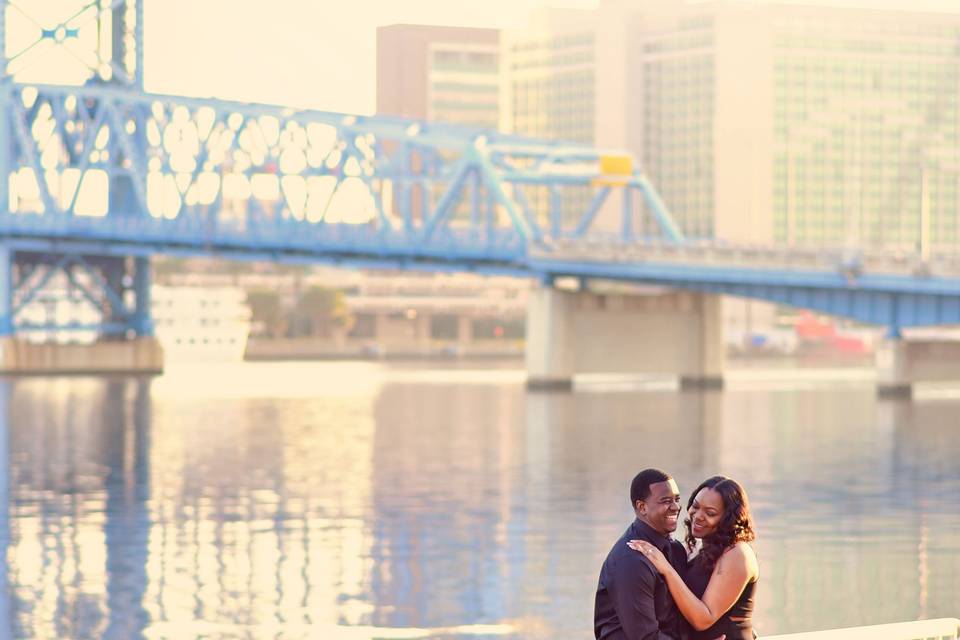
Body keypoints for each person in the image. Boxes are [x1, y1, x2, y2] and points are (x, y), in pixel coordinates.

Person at [628, 476, 758, 640]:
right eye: (695, 506)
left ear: (729, 518)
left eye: (710, 513)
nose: (698, 516)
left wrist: (666, 569)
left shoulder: (737, 554)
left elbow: (703, 620)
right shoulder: (695, 546)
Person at [594, 468, 690, 640]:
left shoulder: (675, 549)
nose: (675, 507)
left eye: (677, 499)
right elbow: (646, 637)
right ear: (642, 507)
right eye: (666, 501)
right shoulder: (632, 561)